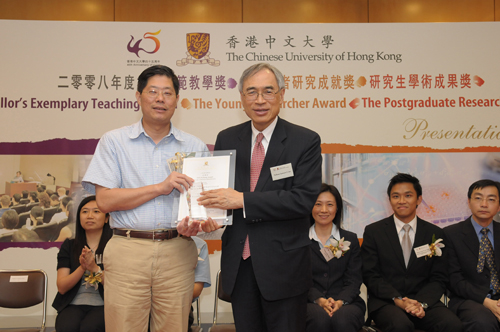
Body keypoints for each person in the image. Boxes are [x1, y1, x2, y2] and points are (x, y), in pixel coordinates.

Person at [82, 64, 220, 332]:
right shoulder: (114, 142)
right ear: (138, 96)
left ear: (177, 101)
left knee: (173, 327)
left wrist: (202, 223)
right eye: (153, 92)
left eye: (167, 93)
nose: (160, 99)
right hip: (127, 249)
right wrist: (159, 187)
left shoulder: (194, 146)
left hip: (178, 250)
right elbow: (105, 202)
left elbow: (205, 204)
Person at [198, 63, 322, 332]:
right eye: (251, 92)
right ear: (241, 98)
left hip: (284, 267)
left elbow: (302, 200)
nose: (260, 100)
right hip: (239, 265)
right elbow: (221, 197)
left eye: (268, 91)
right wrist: (211, 219)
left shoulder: (305, 140)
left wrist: (243, 200)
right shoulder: (227, 138)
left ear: (282, 94)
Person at [361, 173, 462, 332]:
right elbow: (370, 274)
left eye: (408, 195)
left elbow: (439, 278)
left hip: (424, 302)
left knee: (452, 324)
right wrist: (399, 300)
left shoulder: (434, 233)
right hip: (387, 302)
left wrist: (420, 304)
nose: (401, 201)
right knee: (400, 325)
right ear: (390, 200)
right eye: (396, 196)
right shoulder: (374, 232)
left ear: (419, 199)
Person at [307, 183, 365, 332]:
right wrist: (319, 300)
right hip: (310, 301)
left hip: (347, 302)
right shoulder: (300, 240)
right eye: (318, 204)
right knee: (319, 319)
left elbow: (354, 279)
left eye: (329, 204)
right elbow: (298, 279)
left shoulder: (350, 239)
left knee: (343, 320)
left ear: (337, 207)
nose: (324, 210)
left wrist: (340, 301)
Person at [444, 179, 500, 331]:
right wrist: (486, 301)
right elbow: (454, 279)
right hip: (467, 300)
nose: (484, 204)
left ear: (499, 205)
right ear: (469, 202)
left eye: (491, 199)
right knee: (483, 322)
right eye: (478, 198)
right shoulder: (450, 234)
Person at [52, 195, 112, 332]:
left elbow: (116, 287)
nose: (89, 216)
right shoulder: (69, 245)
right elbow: (62, 287)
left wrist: (95, 268)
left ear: (107, 218)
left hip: (104, 305)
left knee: (90, 327)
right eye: (85, 211)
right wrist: (82, 268)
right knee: (67, 326)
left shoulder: (114, 246)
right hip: (72, 303)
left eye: (96, 211)